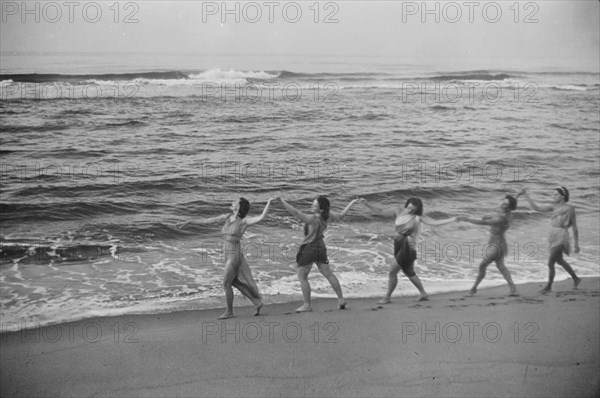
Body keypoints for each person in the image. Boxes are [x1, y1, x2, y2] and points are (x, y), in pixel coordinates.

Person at [178, 197, 275, 319]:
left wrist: (269, 202)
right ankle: (257, 302)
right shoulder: (227, 217)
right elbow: (207, 221)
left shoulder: (244, 221)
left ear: (239, 207)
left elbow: (261, 217)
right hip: (227, 255)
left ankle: (229, 312)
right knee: (233, 282)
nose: (232, 202)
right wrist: (190, 222)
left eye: (235, 201)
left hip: (234, 256)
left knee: (226, 284)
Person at [359, 197, 456, 303]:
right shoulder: (398, 211)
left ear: (417, 209)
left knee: (392, 272)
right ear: (407, 204)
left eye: (413, 209)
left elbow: (435, 222)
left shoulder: (418, 217)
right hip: (398, 244)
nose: (410, 211)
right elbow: (381, 212)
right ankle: (423, 294)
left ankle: (387, 297)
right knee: (408, 271)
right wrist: (367, 204)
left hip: (409, 247)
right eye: (409, 208)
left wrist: (453, 219)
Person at [279, 196, 360, 312]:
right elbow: (342, 215)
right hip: (320, 247)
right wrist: (352, 202)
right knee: (328, 274)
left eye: (314, 205)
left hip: (309, 248)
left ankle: (307, 305)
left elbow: (296, 213)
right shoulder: (328, 216)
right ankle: (341, 299)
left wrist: (282, 201)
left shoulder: (312, 219)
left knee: (302, 276)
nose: (311, 206)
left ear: (320, 209)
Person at [518, 187, 581, 292]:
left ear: (563, 196)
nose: (554, 196)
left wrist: (576, 244)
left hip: (562, 235)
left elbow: (574, 227)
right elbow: (537, 208)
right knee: (559, 260)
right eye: (553, 194)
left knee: (550, 262)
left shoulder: (570, 208)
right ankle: (576, 279)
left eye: (556, 194)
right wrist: (526, 196)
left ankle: (549, 286)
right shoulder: (553, 207)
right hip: (553, 235)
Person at [457, 195, 519, 297]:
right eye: (503, 201)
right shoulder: (505, 212)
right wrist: (519, 194)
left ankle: (473, 289)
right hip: (496, 242)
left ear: (508, 207)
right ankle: (513, 289)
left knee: (483, 265)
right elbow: (512, 202)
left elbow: (484, 222)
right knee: (500, 266)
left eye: (505, 203)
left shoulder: (502, 217)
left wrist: (466, 219)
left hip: (497, 244)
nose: (502, 203)